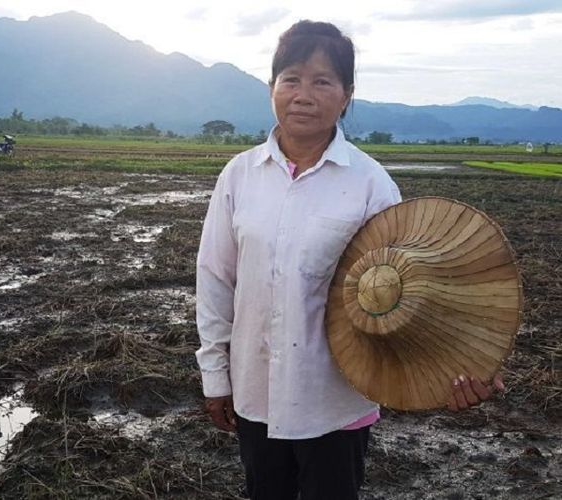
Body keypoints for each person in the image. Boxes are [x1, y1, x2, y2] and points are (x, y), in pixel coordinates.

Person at [195, 20, 504, 500]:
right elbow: (216, 280)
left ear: (346, 94)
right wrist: (216, 376)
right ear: (271, 87)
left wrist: (460, 365)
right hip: (255, 389)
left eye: (322, 81)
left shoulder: (371, 184)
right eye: (291, 78)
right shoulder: (239, 176)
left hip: (336, 400)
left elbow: (414, 286)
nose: (303, 94)